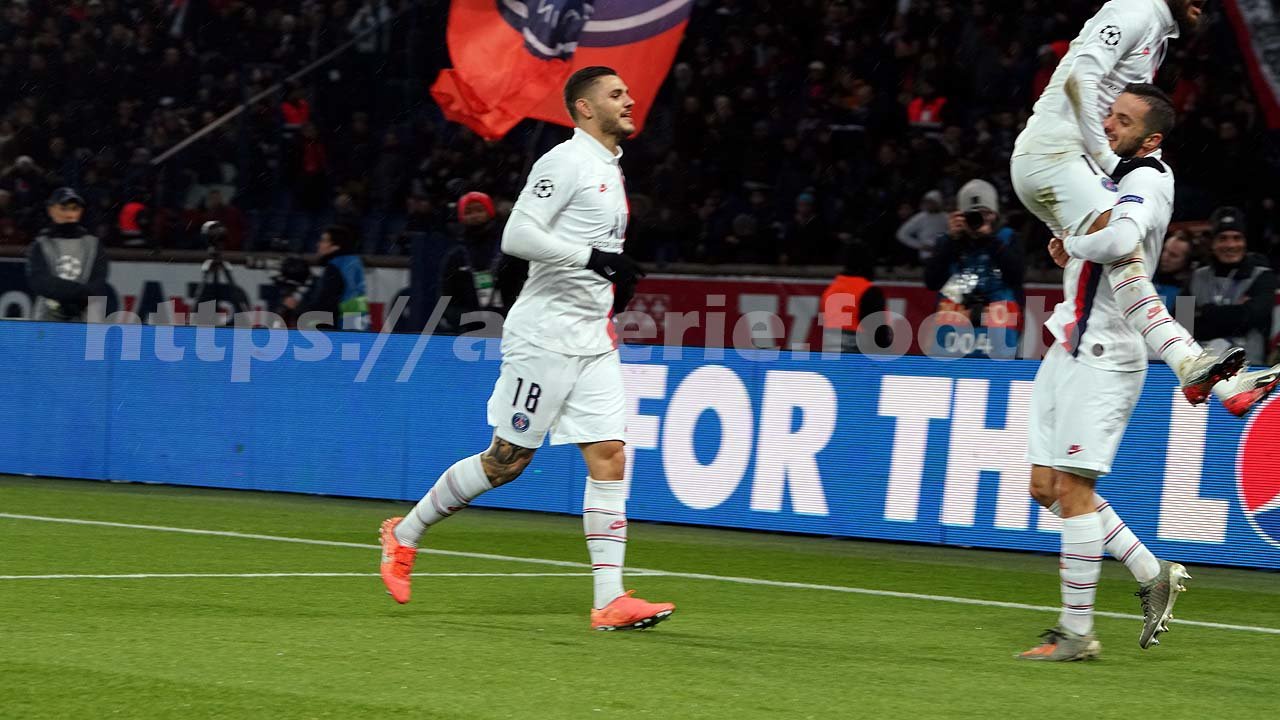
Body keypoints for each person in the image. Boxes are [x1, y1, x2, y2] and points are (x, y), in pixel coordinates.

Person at [378, 67, 675, 631]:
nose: (629, 99)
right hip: (544, 335)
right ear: (584, 107)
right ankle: (405, 534)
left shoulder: (609, 166)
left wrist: (609, 278)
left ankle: (609, 600)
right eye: (616, 94)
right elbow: (516, 235)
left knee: (609, 455)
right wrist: (594, 259)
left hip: (593, 336)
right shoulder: (564, 161)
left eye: (626, 91)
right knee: (507, 461)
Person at [1009, 0, 1245, 409]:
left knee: (1096, 272)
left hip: (1061, 160)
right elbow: (1080, 76)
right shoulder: (1135, 9)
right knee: (1124, 249)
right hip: (1058, 154)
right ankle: (1188, 362)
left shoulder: (1157, 29)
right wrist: (1109, 160)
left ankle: (1063, 370)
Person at [923, 179, 1024, 359]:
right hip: (954, 321)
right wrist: (950, 241)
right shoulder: (948, 241)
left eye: (985, 214)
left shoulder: (1006, 238)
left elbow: (1016, 277)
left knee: (1000, 369)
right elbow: (931, 282)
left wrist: (990, 240)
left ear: (995, 215)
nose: (978, 219)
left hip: (998, 320)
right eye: (972, 215)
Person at [1187, 207, 1277, 369]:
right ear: (1213, 243)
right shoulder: (1196, 276)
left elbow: (1253, 316)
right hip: (1197, 368)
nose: (1230, 245)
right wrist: (1236, 314)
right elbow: (1183, 322)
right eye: (1223, 238)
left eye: (1237, 238)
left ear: (1245, 242)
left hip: (1248, 367)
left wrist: (1204, 312)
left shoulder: (1263, 277)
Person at [437, 190, 528, 334]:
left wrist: (507, 314)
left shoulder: (508, 247)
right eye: (468, 212)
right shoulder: (456, 255)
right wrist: (470, 318)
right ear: (461, 216)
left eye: (479, 210)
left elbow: (524, 286)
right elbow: (446, 300)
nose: (475, 216)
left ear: (490, 212)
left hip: (511, 326)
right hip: (468, 330)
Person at [25, 187, 109, 322]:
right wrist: (79, 295)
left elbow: (98, 284)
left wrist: (69, 297)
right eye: (63, 208)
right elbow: (40, 282)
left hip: (85, 319)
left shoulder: (93, 244)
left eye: (74, 208)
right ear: (51, 210)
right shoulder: (41, 244)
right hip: (47, 320)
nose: (70, 213)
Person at [282, 225, 369, 330]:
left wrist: (298, 308)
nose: (318, 244)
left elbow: (326, 305)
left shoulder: (335, 267)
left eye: (323, 241)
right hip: (356, 325)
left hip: (341, 328)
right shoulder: (353, 263)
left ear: (335, 246)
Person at [895, 189, 947, 263]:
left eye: (931, 202)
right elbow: (902, 234)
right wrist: (920, 245)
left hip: (945, 255)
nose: (928, 205)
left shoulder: (946, 217)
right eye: (926, 202)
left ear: (938, 203)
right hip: (928, 256)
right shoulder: (920, 217)